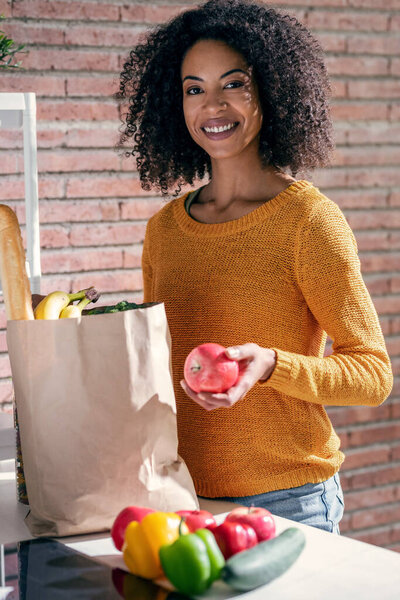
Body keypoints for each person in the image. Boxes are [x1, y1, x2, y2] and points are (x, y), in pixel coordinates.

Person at [116, 0, 393, 534]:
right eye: (194, 88)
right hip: (181, 497)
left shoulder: (308, 222)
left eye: (234, 84)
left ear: (271, 91)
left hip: (287, 501)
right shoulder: (165, 230)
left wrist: (271, 365)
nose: (212, 105)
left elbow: (372, 375)